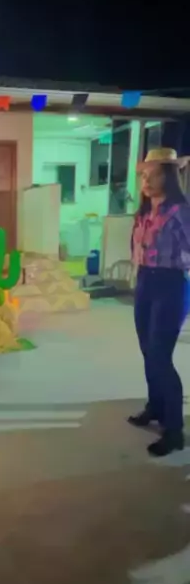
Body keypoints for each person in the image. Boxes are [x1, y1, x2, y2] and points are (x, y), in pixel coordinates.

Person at [129, 147, 190, 457]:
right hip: (145, 283)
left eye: (153, 174)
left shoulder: (181, 211)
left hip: (170, 284)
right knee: (147, 351)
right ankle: (155, 406)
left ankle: (174, 430)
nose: (146, 180)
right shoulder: (143, 212)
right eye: (144, 175)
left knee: (159, 356)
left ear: (169, 175)